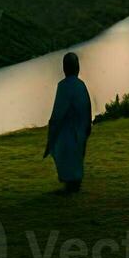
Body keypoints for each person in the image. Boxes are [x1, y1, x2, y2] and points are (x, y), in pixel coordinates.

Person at [43, 52, 92, 193]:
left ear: (65, 68)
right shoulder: (81, 85)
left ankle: (72, 184)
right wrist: (87, 127)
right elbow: (88, 107)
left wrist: (50, 138)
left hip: (71, 133)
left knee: (64, 149)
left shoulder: (63, 86)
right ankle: (73, 183)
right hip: (80, 130)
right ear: (77, 68)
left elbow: (57, 115)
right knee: (74, 155)